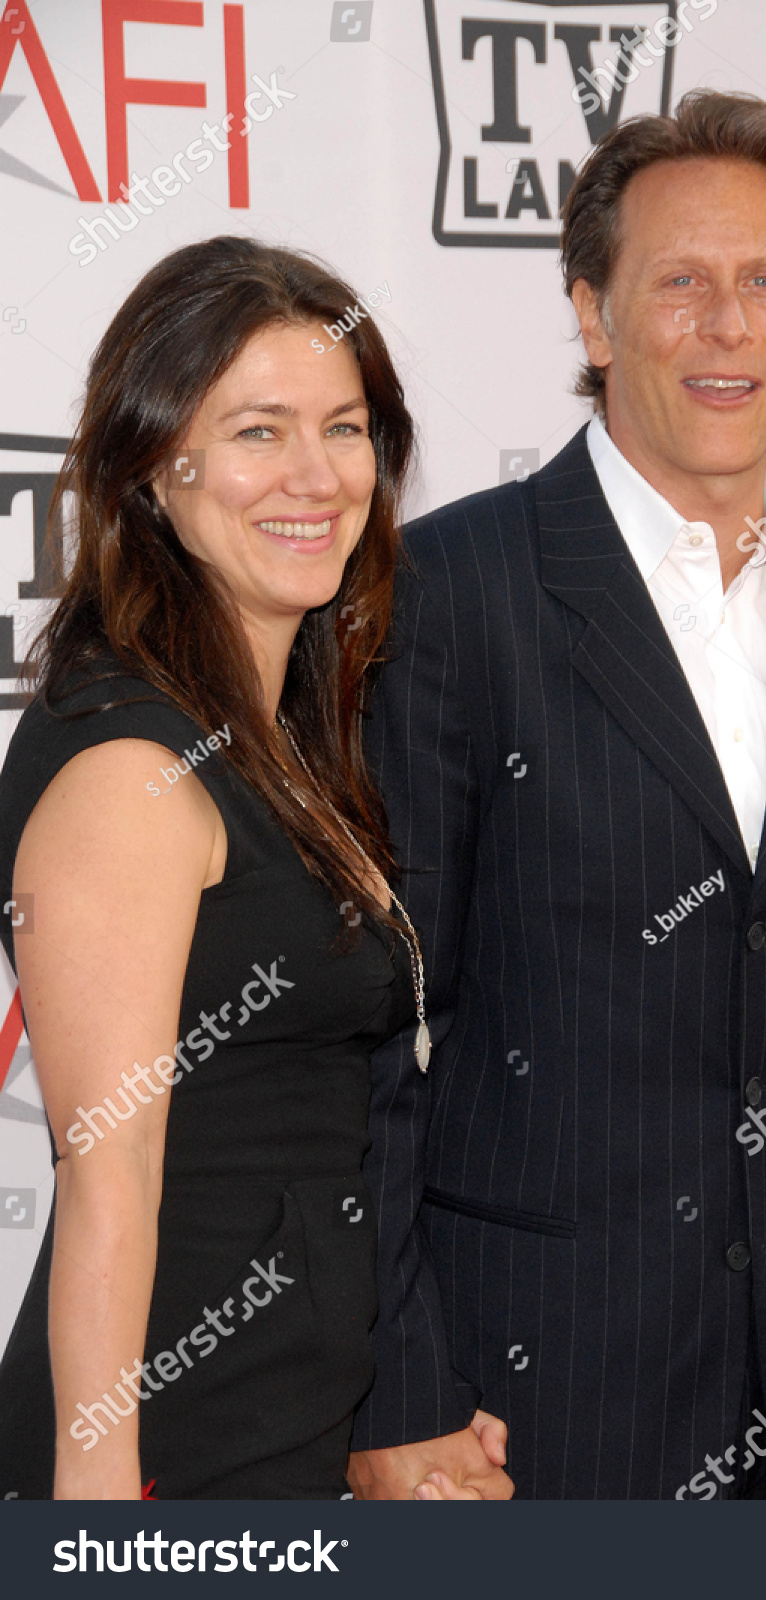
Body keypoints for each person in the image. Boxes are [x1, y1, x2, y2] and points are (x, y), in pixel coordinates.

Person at [348, 92, 766, 1500]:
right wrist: (397, 1397)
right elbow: (373, 1038)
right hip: (521, 1407)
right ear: (594, 315)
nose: (726, 324)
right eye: (678, 282)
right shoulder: (446, 595)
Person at [0, 236, 510, 1500]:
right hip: (167, 1459)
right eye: (256, 431)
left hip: (279, 1434)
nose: (315, 476)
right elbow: (107, 1158)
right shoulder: (134, 762)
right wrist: (98, 1503)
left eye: (344, 429)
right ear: (152, 467)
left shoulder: (277, 730)